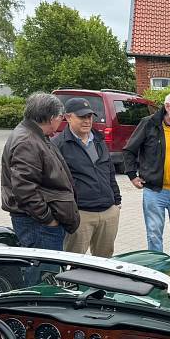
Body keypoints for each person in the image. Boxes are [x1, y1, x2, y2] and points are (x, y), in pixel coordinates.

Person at [123, 91, 170, 259]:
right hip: (155, 192)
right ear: (167, 107)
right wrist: (132, 175)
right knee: (154, 234)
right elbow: (129, 150)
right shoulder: (149, 124)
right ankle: (157, 269)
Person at [0, 92, 79, 251]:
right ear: (51, 118)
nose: (61, 122)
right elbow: (24, 189)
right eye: (61, 117)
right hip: (38, 225)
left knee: (49, 266)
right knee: (45, 266)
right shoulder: (27, 141)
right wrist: (48, 219)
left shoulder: (36, 135)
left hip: (39, 223)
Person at [53, 97, 121, 257]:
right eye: (82, 117)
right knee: (73, 261)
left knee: (104, 262)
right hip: (80, 214)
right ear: (68, 117)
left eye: (89, 116)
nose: (87, 121)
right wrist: (68, 211)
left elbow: (109, 171)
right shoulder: (58, 145)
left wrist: (116, 202)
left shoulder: (99, 140)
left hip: (108, 211)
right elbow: (55, 182)